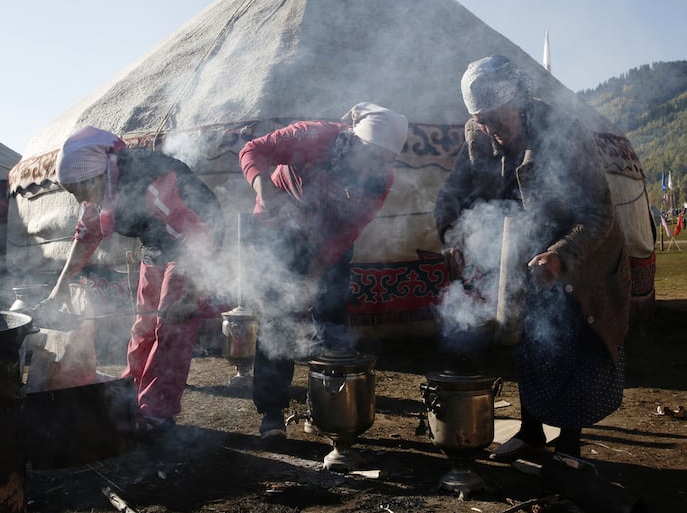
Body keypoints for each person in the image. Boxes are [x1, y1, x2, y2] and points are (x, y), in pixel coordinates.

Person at [434, 55, 630, 460]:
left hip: (580, 254)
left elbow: (599, 213)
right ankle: (531, 432)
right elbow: (452, 192)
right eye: (482, 119)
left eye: (496, 118)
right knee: (530, 344)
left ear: (518, 100)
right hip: (521, 252)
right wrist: (452, 235)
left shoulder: (563, 132)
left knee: (572, 340)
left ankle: (570, 444)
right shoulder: (477, 134)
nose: (490, 129)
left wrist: (560, 256)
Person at [238, 102, 409, 442]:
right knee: (279, 317)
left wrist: (316, 270)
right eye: (372, 154)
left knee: (331, 319)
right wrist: (263, 189)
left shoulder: (379, 181)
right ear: (356, 140)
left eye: (384, 159)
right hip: (280, 227)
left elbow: (349, 231)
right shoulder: (313, 136)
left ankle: (325, 408)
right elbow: (252, 149)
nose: (376, 164)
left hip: (330, 237)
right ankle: (272, 412)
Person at [43, 126, 225, 431]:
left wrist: (191, 295)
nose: (78, 200)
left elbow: (201, 236)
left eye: (77, 191)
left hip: (193, 245)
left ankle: (157, 411)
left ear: (94, 177)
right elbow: (86, 235)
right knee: (144, 323)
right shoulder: (102, 189)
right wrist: (59, 288)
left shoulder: (153, 185)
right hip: (158, 244)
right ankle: (132, 386)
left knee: (171, 326)